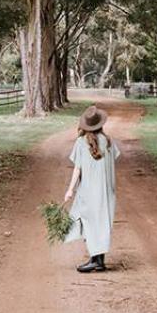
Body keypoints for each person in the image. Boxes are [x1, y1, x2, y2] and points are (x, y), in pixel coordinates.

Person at [62, 105, 120, 273]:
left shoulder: (81, 143)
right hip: (107, 190)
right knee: (101, 223)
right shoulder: (108, 141)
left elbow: (77, 169)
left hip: (89, 191)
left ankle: (96, 260)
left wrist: (70, 190)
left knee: (90, 223)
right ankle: (98, 259)